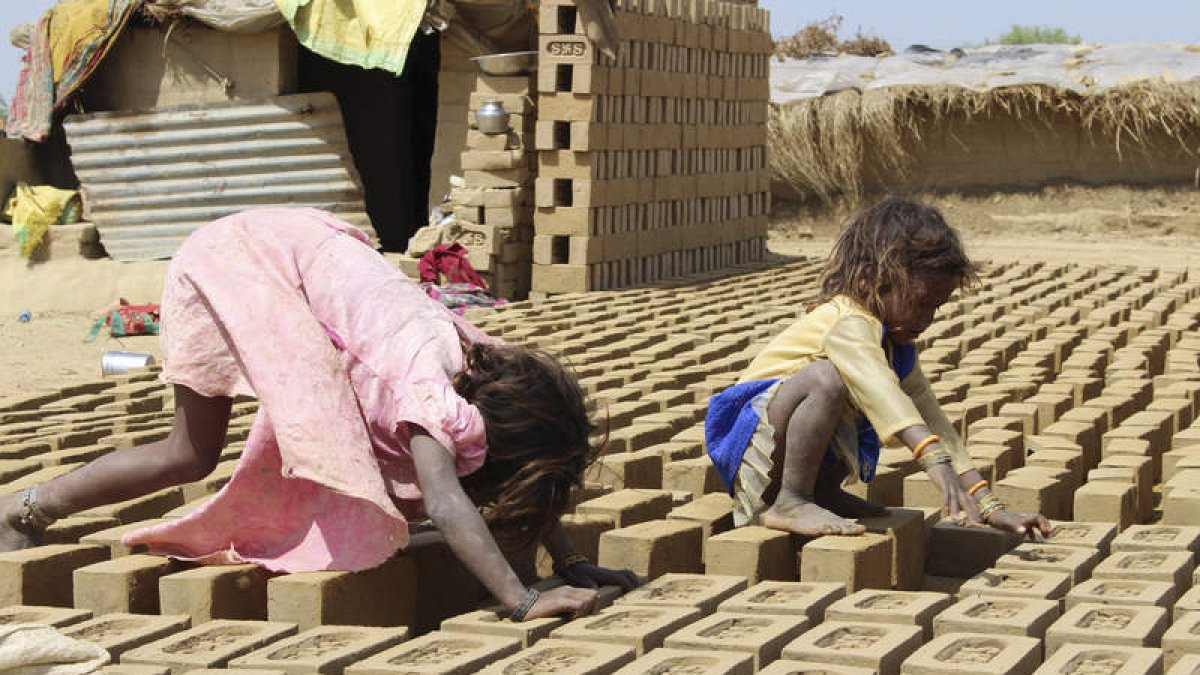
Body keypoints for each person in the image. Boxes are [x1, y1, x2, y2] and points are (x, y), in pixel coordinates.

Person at [0, 207, 637, 622]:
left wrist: (571, 561)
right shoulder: (429, 385)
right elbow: (444, 500)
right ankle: (22, 508)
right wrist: (521, 597)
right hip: (241, 261)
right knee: (189, 452)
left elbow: (537, 467)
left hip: (306, 251)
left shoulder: (492, 365)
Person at [705, 197, 1052, 539]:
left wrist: (987, 502)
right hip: (746, 439)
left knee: (875, 400)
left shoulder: (895, 347)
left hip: (782, 439)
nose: (927, 319)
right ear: (872, 278)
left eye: (936, 308)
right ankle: (792, 500)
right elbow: (883, 392)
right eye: (920, 304)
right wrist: (932, 460)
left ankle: (820, 492)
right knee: (832, 381)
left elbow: (929, 417)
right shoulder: (848, 322)